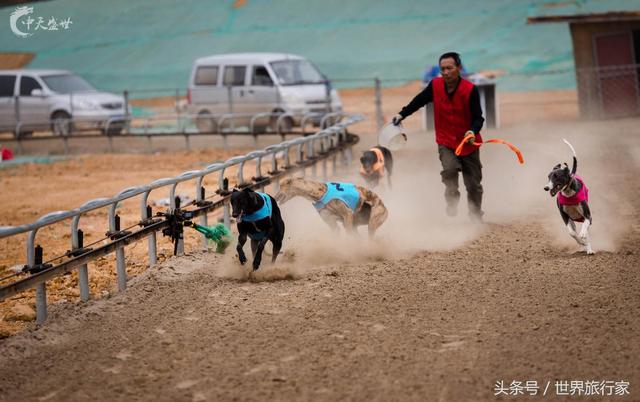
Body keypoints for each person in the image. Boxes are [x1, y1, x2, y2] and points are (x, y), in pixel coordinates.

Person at [393, 52, 485, 222]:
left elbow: (478, 117)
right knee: (449, 170)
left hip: (469, 142)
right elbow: (419, 101)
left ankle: (475, 215)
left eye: (449, 68)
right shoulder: (435, 85)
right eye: (442, 69)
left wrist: (472, 131)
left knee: (473, 184)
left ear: (459, 68)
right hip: (446, 141)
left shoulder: (470, 89)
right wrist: (402, 114)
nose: (445, 72)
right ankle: (452, 198)